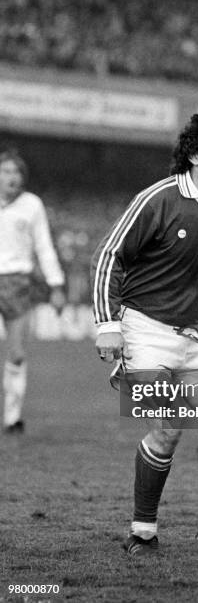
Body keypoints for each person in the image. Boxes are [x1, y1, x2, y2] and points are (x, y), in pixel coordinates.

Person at [91, 108, 198, 556]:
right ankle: (143, 532)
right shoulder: (159, 199)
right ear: (193, 154)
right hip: (144, 332)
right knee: (168, 427)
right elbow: (109, 257)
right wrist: (108, 325)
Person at [0, 150, 65, 433]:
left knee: (16, 353)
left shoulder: (31, 205)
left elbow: (44, 246)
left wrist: (56, 285)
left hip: (18, 283)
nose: (11, 177)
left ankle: (12, 418)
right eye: (5, 171)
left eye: (16, 172)